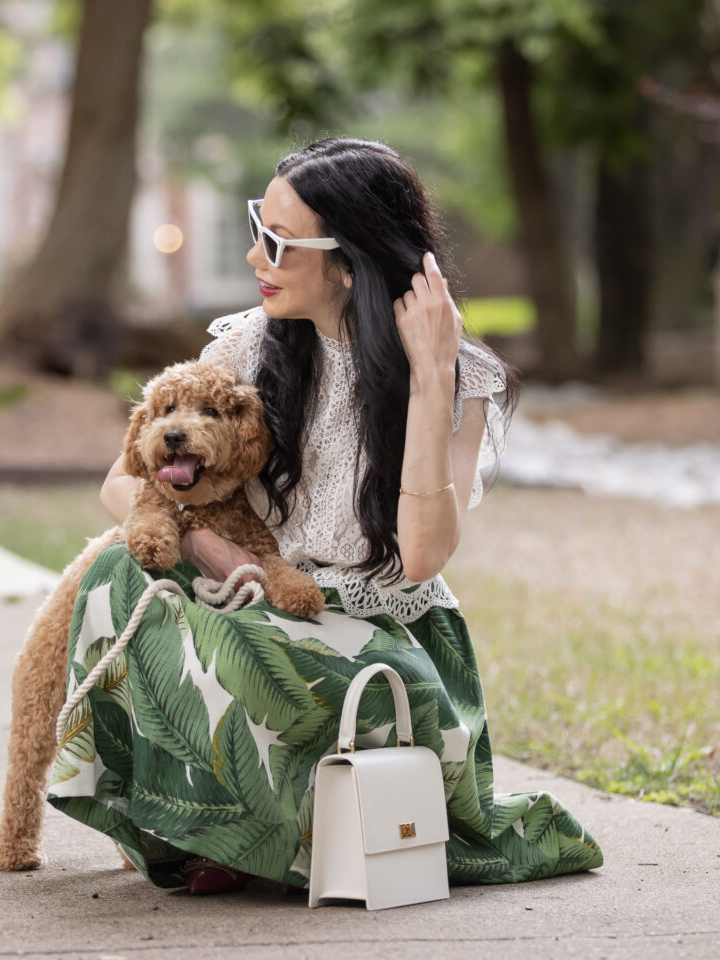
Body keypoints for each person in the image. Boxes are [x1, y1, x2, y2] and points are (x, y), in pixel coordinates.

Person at [48, 138, 603, 894]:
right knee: (120, 568)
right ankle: (202, 827)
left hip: (380, 642)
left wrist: (431, 384)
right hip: (254, 600)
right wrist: (208, 546)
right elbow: (125, 481)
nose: (254, 256)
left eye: (277, 241)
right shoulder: (247, 346)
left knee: (252, 651)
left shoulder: (456, 378)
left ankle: (258, 834)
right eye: (257, 226)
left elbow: (422, 557)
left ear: (347, 262)